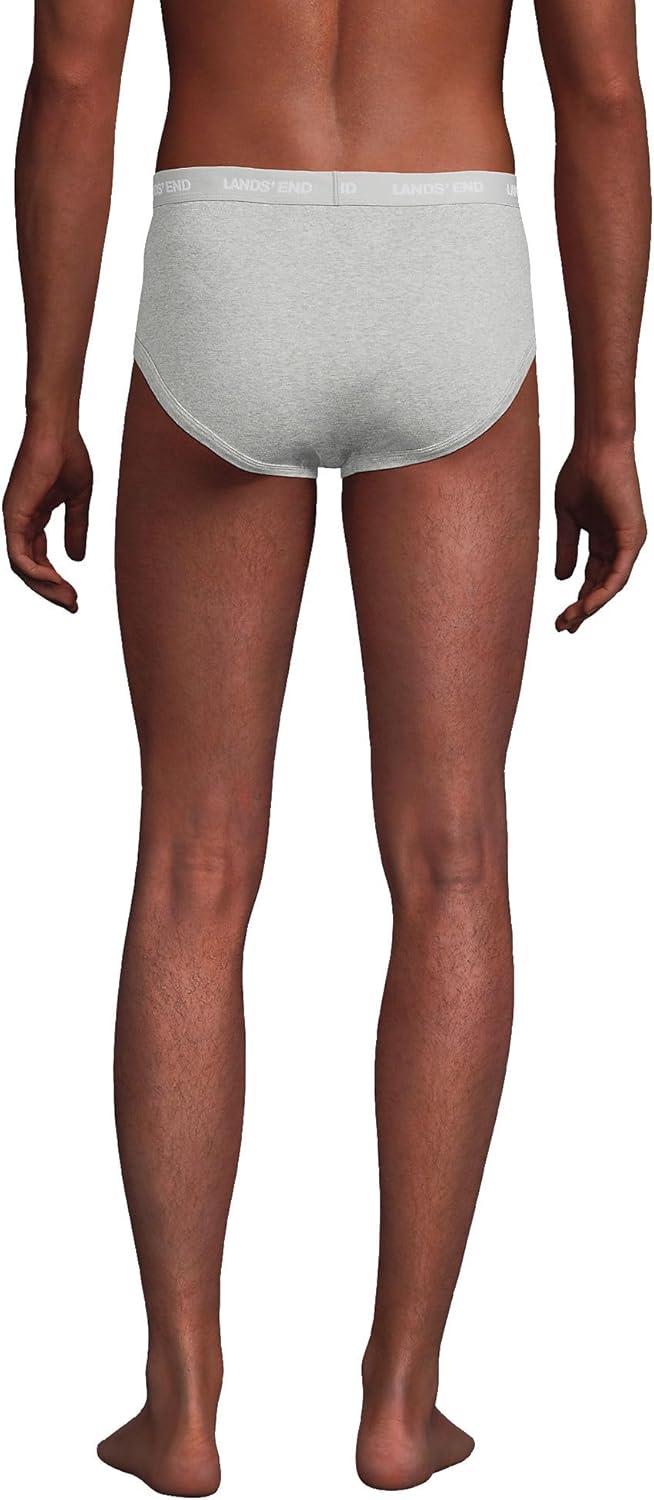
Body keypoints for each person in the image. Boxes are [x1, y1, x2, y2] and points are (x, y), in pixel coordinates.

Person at [3, 1, 649, 1494]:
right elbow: (603, 96)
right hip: (449, 251)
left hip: (227, 247)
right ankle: (402, 1402)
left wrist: (46, 403)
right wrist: (611, 421)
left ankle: (179, 1405)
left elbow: (74, 76)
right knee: (452, 859)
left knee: (191, 866)